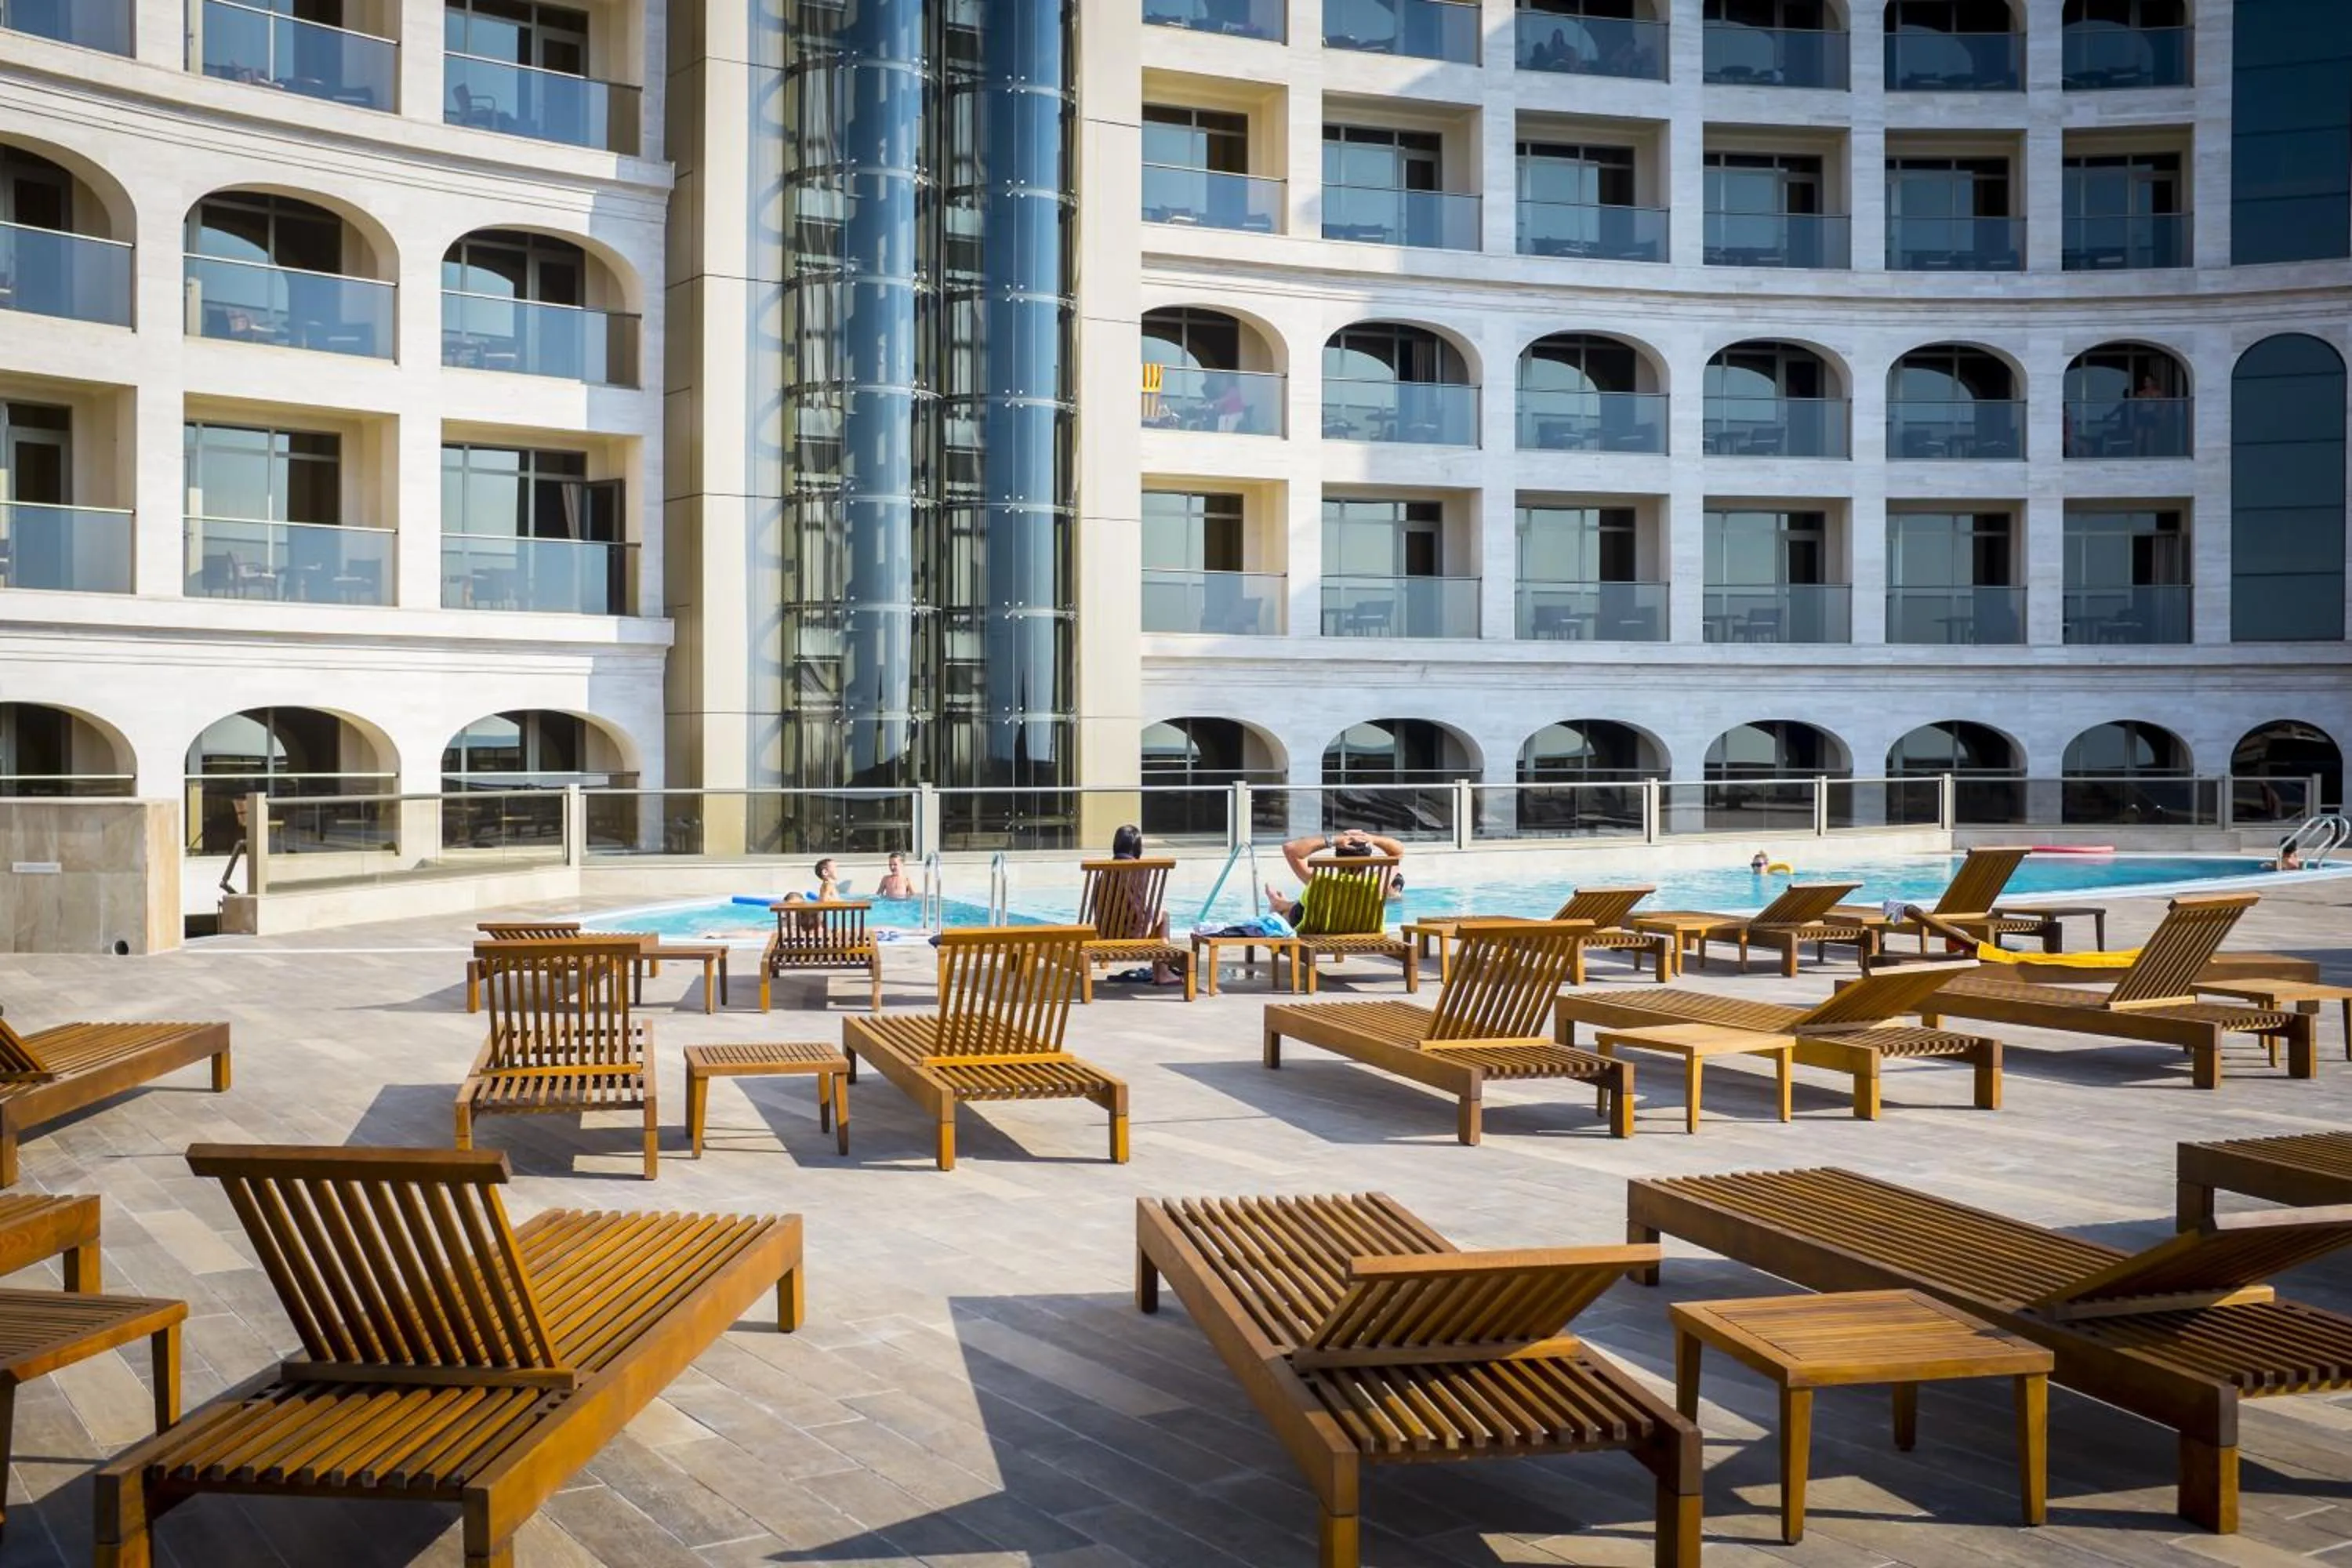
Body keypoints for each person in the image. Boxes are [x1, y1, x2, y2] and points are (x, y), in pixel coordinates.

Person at [1265, 829, 1406, 923]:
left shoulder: (1321, 882)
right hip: (1363, 933)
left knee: (1294, 912)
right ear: (1367, 860)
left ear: (1338, 858)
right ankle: (1281, 904)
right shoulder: (1378, 884)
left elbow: (1290, 849)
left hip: (1320, 934)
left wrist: (1333, 840)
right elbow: (1398, 851)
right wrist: (1371, 838)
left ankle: (1279, 905)